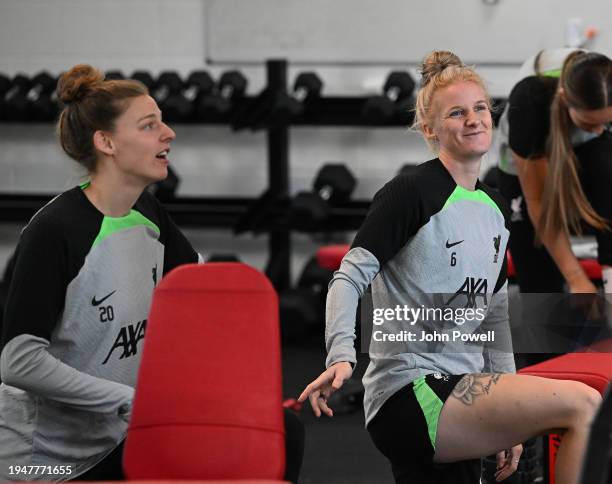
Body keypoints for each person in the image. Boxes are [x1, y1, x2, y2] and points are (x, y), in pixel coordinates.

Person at [298, 51, 602, 484]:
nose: (474, 119)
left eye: (480, 108)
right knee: (583, 405)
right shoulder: (410, 192)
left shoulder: (494, 206)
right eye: (457, 113)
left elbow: (493, 317)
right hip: (409, 390)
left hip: (461, 388)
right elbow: (348, 276)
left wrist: (510, 420)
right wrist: (341, 354)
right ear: (430, 129)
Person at [0, 65, 304, 483]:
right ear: (105, 142)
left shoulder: (147, 213)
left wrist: (238, 392)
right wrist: (128, 399)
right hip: (46, 462)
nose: (169, 133)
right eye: (149, 126)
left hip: (121, 434)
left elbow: (197, 292)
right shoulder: (55, 231)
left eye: (161, 120)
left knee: (282, 434)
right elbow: (18, 362)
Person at [497, 49, 612, 295]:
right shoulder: (529, 102)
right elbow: (538, 201)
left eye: (606, 122)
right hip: (525, 163)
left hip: (585, 149)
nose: (600, 130)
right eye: (591, 123)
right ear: (565, 98)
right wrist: (576, 278)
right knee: (538, 278)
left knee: (606, 164)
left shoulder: (604, 95)